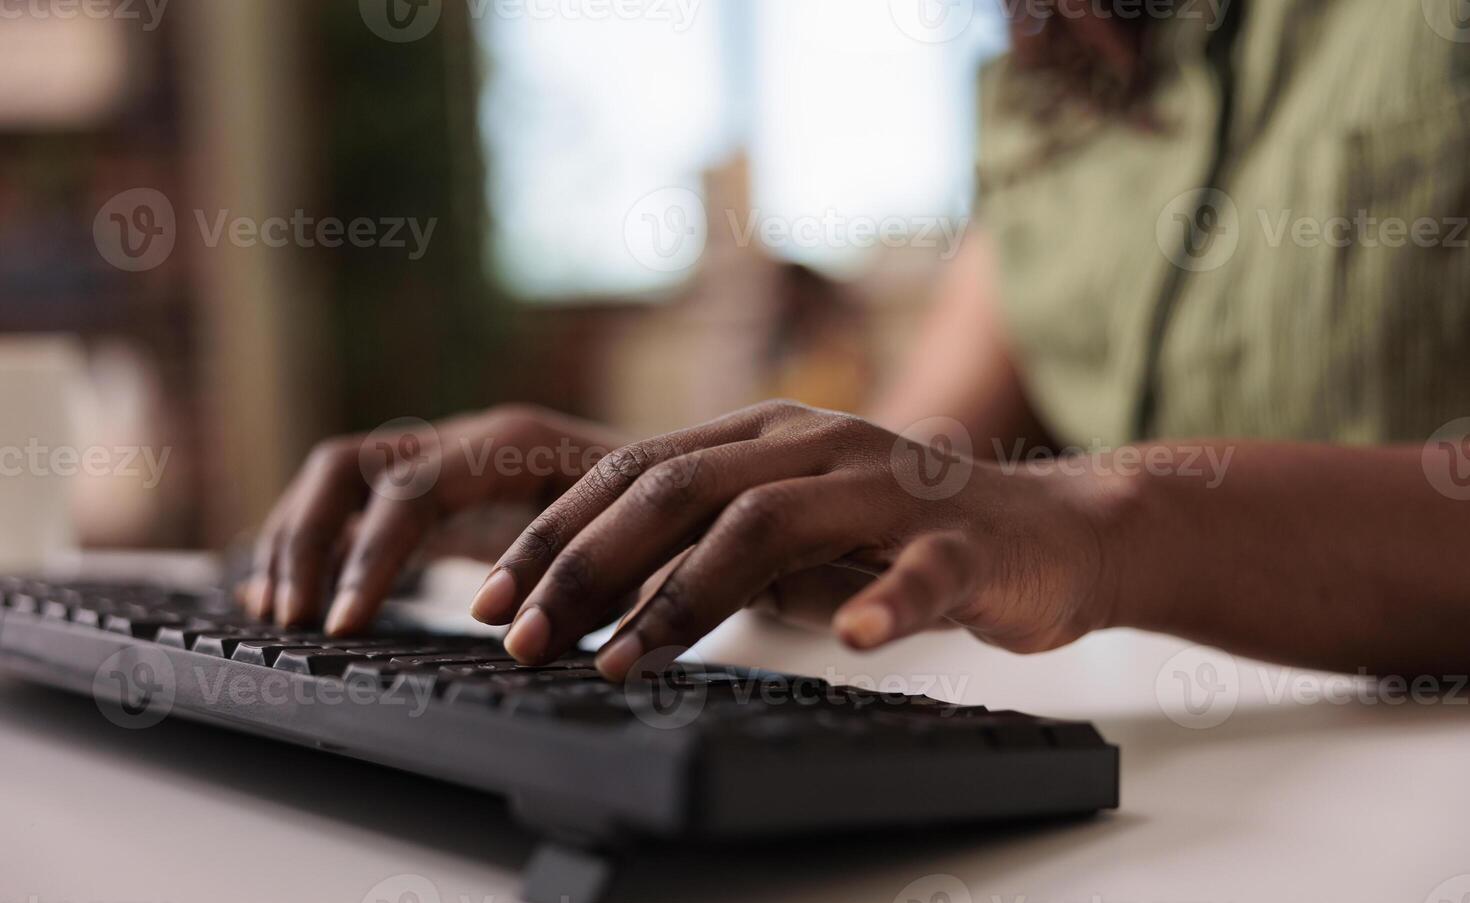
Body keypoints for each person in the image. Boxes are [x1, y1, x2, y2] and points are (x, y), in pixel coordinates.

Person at [245, 2, 1470, 682]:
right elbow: (916, 469)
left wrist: (1111, 519)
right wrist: (651, 488)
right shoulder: (1061, 72)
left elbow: (1065, 517)